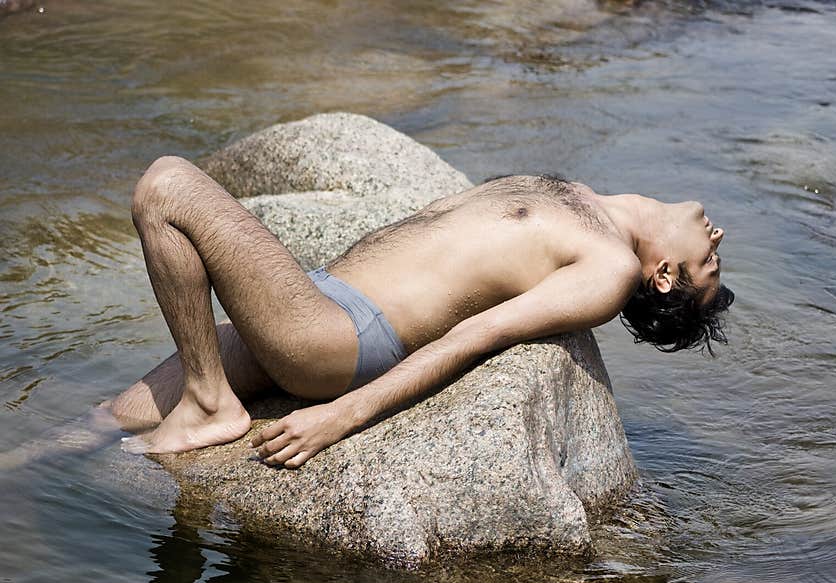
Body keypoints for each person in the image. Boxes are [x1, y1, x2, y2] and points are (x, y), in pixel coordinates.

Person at [110, 156, 733, 468]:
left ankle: (211, 404)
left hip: (338, 337)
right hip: (318, 299)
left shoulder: (610, 268)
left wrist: (341, 416)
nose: (720, 238)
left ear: (664, 276)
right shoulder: (587, 200)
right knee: (104, 421)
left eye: (710, 264)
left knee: (167, 184)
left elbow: (478, 335)